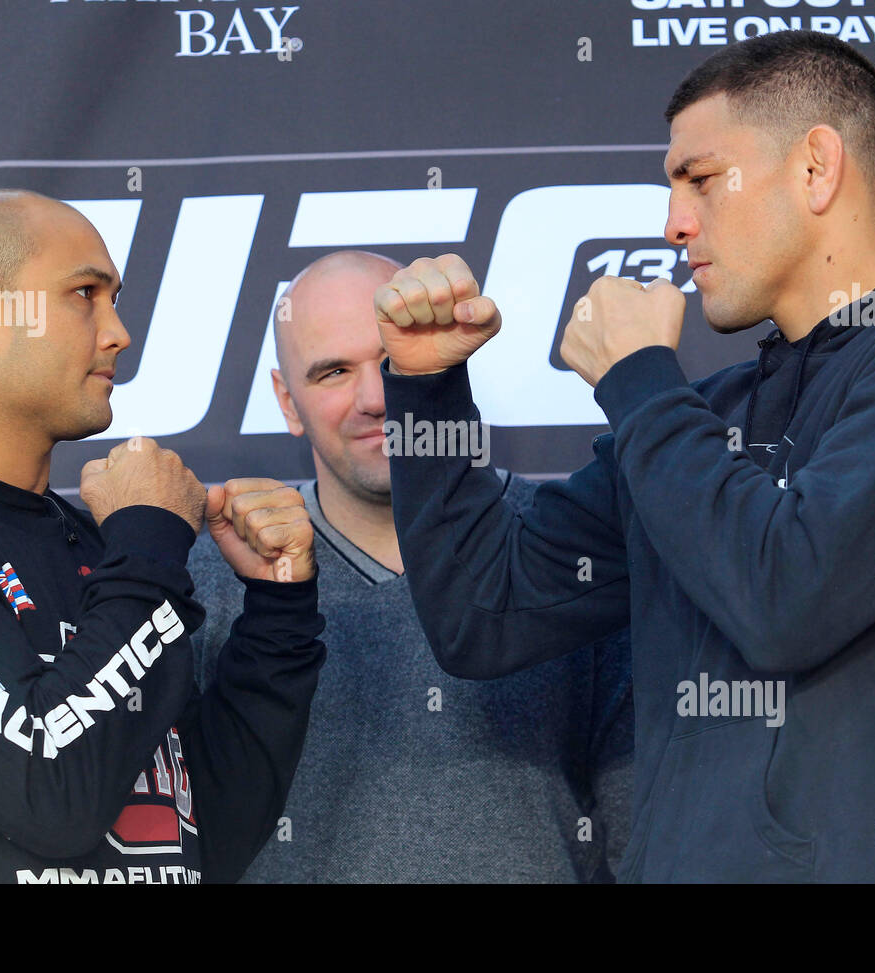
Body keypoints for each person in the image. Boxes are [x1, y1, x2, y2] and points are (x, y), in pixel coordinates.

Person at [372, 32, 875, 882]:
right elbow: (482, 610)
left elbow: (787, 596)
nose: (673, 224)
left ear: (817, 168)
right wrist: (426, 388)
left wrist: (638, 380)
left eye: (699, 179)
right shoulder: (709, 415)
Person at [0, 190, 326, 883]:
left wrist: (278, 616)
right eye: (85, 294)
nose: (119, 331)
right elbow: (48, 790)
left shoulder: (106, 553)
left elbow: (206, 838)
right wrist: (151, 543)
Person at [188, 250, 634, 882]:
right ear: (287, 402)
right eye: (334, 372)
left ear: (448, 359)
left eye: (393, 362)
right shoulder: (217, 580)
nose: (377, 399)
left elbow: (645, 828)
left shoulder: (568, 548)